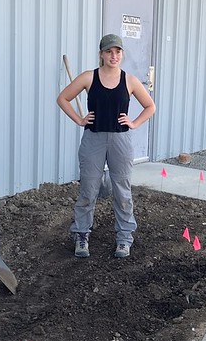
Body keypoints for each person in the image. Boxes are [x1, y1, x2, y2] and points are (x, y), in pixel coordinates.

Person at [56, 34, 155, 259]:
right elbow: (63, 98)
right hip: (94, 139)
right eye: (109, 51)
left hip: (120, 141)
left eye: (118, 52)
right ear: (101, 54)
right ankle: (81, 235)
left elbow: (150, 106)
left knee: (122, 192)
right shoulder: (89, 78)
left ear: (122, 55)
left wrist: (134, 123)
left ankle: (124, 238)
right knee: (88, 190)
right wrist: (79, 119)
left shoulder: (129, 80)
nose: (114, 56)